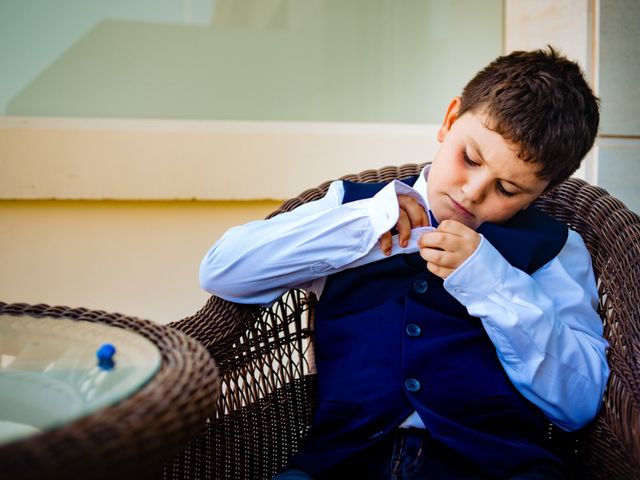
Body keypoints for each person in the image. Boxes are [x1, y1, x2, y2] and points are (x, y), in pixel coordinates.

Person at [199, 47, 609, 479]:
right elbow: (223, 271)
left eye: (507, 189)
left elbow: (578, 404)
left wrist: (492, 283)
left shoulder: (555, 247)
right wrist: (363, 224)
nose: (472, 193)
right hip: (340, 461)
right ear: (450, 119)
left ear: (544, 189)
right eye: (470, 158)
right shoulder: (352, 209)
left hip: (497, 465)